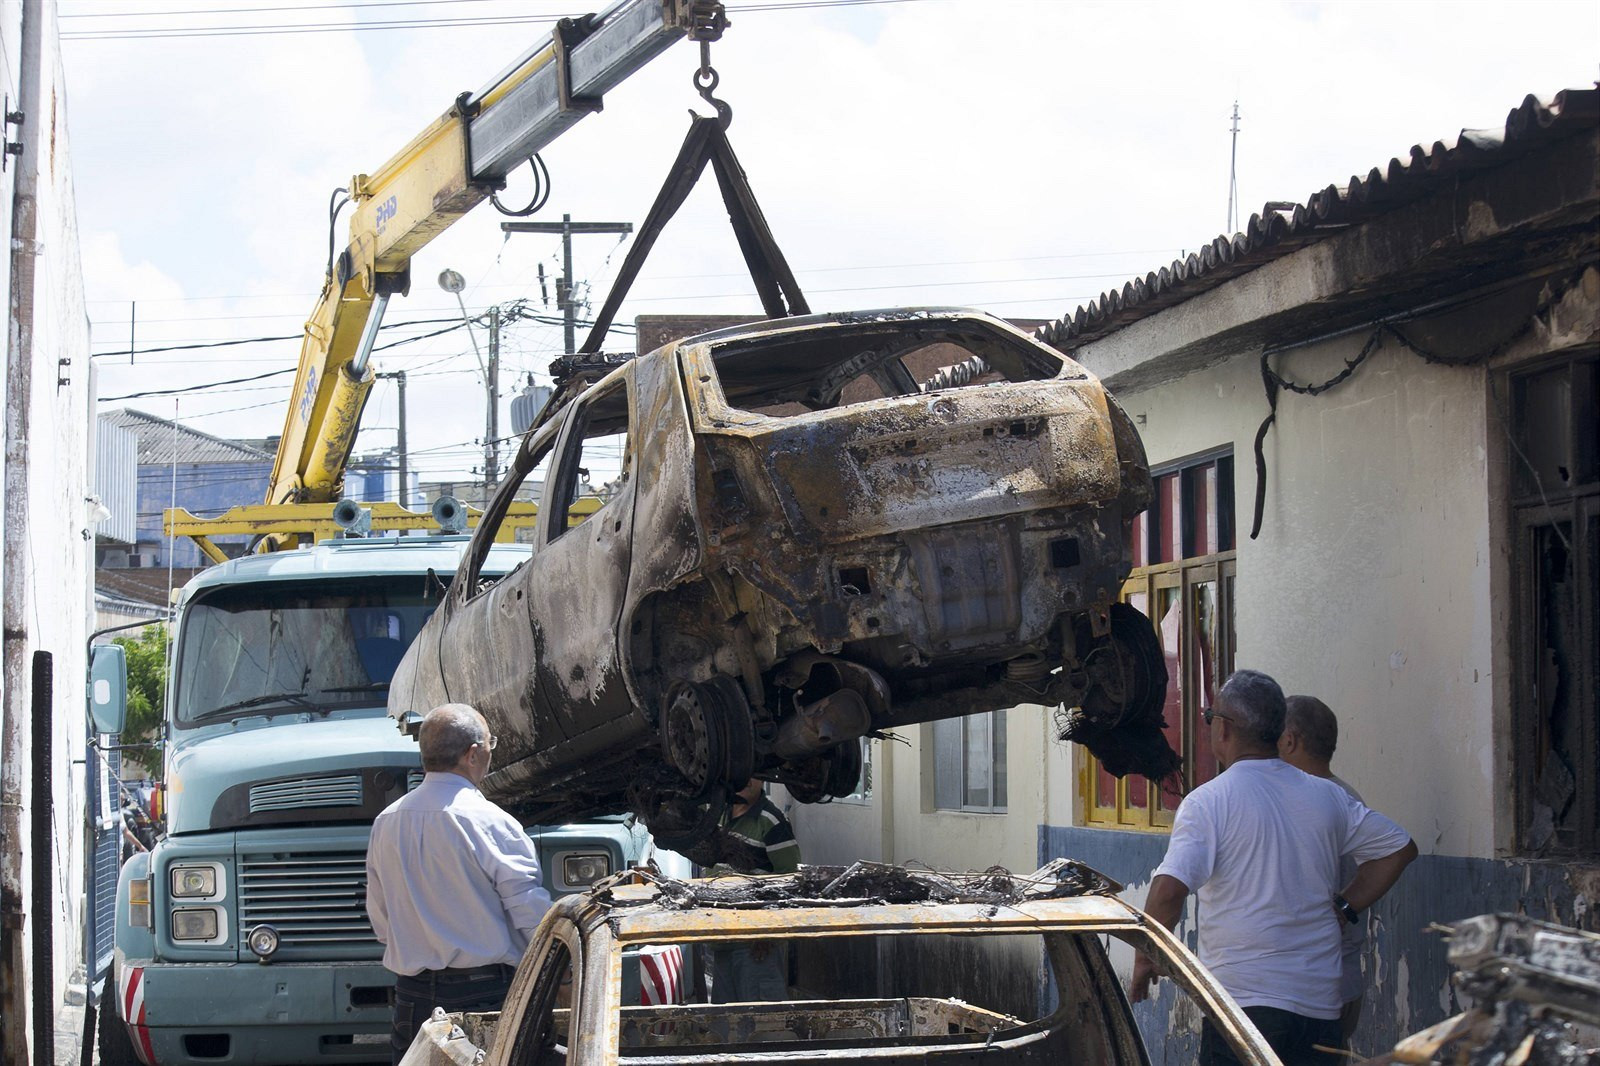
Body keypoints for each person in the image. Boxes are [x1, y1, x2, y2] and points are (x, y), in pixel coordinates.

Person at [1128, 671, 1417, 1066]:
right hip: (1319, 1005)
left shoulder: (1210, 801)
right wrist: (1346, 906)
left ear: (1225, 729)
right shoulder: (1327, 795)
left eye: (1211, 716)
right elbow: (1399, 848)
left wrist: (1146, 957)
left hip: (1243, 1007)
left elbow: (1168, 891)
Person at [365, 703, 552, 1064]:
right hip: (486, 995)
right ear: (472, 754)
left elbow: (382, 920)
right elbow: (529, 914)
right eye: (490, 745)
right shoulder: (490, 821)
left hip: (412, 997)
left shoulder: (387, 822)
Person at [1279, 695, 1369, 1045]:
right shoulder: (1345, 795)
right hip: (1339, 981)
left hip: (1310, 986)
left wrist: (1344, 908)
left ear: (1289, 740)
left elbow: (1397, 851)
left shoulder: (1318, 799)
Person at [707, 778, 801, 1003]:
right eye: (740, 772)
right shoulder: (718, 814)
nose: (746, 779)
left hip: (756, 946)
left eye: (754, 772)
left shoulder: (771, 821)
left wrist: (767, 934)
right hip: (722, 938)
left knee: (760, 1020)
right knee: (724, 1020)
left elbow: (791, 881)